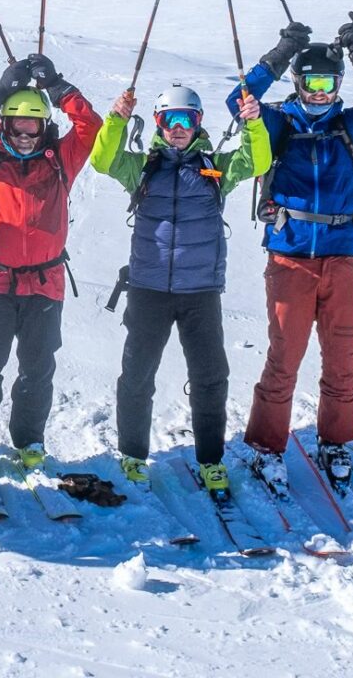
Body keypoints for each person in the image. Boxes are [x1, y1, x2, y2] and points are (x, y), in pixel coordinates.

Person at [235, 13, 353, 490]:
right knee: (285, 357)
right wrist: (277, 55)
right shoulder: (276, 123)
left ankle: (335, 440)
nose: (319, 93)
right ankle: (266, 446)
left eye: (328, 83)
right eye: (310, 82)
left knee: (342, 355)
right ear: (297, 81)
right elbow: (240, 100)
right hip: (290, 257)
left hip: (340, 258)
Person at [90, 82, 272, 497]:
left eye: (185, 119)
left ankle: (211, 460)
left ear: (197, 123)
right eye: (169, 120)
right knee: (137, 374)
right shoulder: (143, 167)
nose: (177, 128)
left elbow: (257, 161)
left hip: (200, 291)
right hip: (149, 289)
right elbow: (102, 160)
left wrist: (254, 126)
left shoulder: (213, 167)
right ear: (157, 123)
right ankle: (133, 455)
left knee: (211, 376)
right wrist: (116, 118)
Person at [0, 53, 102, 473]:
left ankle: (30, 439)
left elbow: (91, 127)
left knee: (37, 369)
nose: (25, 134)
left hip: (46, 284)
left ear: (45, 126)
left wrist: (59, 88)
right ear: (5, 124)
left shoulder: (61, 161)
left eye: (33, 124)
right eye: (17, 124)